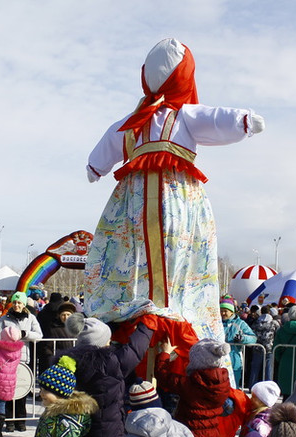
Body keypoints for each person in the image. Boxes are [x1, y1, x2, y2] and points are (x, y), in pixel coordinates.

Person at [82, 37, 265, 344]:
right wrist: (243, 121)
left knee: (157, 254)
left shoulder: (156, 119)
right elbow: (213, 118)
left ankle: (161, 317)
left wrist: (95, 166)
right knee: (158, 253)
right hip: (171, 196)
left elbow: (110, 140)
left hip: (138, 198)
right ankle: (153, 314)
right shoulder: (159, 118)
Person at [0, 292, 42, 431]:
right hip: (7, 359)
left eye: (19, 303)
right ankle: (9, 420)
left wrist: (25, 334)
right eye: (15, 302)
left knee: (22, 390)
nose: (17, 305)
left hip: (23, 358)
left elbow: (39, 335)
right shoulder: (4, 319)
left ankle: (20, 420)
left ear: (24, 304)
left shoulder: (31, 318)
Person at [220, 296, 257, 387]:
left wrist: (242, 338)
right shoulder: (217, 323)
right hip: (219, 360)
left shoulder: (240, 323)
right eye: (221, 311)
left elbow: (253, 338)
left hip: (234, 360)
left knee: (233, 387)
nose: (223, 313)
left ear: (231, 311)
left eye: (225, 311)